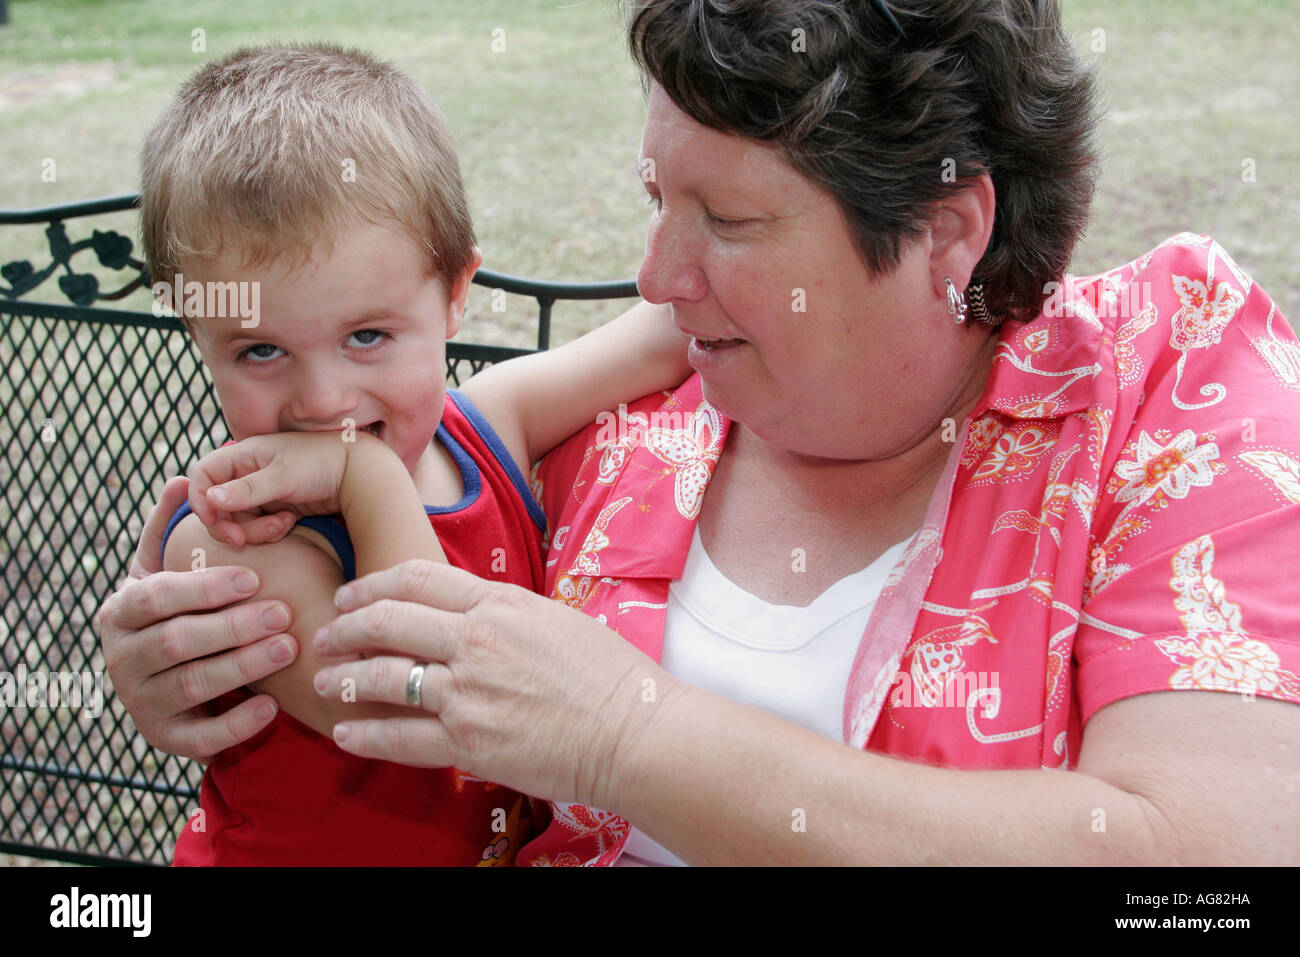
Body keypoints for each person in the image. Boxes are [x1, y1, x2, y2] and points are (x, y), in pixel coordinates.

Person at [97, 1, 1300, 866]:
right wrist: (183, 659)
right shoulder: (634, 427)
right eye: (653, 198)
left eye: (726, 216)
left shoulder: (1166, 394)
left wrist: (627, 736)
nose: (655, 276)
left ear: (944, 228)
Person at [136, 43, 688, 865]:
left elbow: (667, 332)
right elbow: (428, 699)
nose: (322, 401)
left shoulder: (489, 424)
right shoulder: (231, 538)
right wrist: (366, 478)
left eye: (367, 335)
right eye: (259, 350)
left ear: (456, 291)